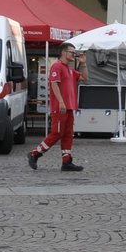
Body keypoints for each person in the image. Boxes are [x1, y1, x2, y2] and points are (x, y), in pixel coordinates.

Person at [28, 42, 83, 172]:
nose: (74, 55)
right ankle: (35, 153)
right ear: (64, 52)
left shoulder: (69, 69)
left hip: (69, 107)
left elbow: (85, 77)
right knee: (57, 133)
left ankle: (66, 161)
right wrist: (62, 102)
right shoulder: (57, 66)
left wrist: (84, 63)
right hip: (60, 107)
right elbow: (54, 84)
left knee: (68, 134)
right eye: (72, 52)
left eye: (74, 53)